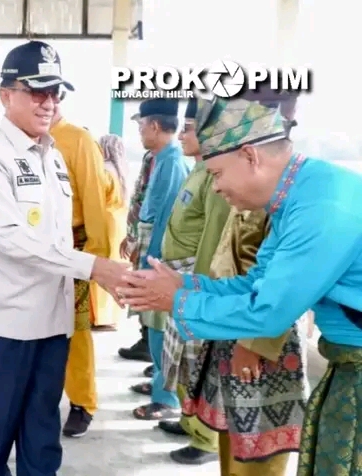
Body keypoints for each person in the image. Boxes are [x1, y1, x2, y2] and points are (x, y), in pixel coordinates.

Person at [117, 96, 360, 476]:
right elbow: (254, 283)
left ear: (250, 156)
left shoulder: (323, 206)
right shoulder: (297, 194)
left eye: (216, 174)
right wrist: (185, 284)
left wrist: (177, 300)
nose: (215, 188)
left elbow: (268, 311)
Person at [0, 40, 131, 476]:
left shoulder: (54, 157)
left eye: (55, 92)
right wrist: (94, 267)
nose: (48, 102)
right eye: (36, 91)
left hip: (52, 320)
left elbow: (55, 235)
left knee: (43, 431)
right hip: (4, 322)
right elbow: (12, 239)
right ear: (5, 95)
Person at [177, 93, 305, 476]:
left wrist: (253, 343)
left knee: (257, 448)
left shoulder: (288, 191)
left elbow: (283, 285)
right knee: (233, 438)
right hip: (235, 319)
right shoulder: (255, 183)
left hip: (261, 333)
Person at [153, 98, 230, 464]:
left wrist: (195, 290)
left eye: (188, 129)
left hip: (194, 279)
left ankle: (205, 439)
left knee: (197, 362)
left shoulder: (216, 177)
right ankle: (188, 421)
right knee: (181, 363)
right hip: (178, 276)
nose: (180, 135)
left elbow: (212, 240)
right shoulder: (197, 169)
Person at [50, 109, 124, 437]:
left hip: (73, 245)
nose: (46, 103)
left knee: (75, 330)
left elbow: (94, 197)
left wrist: (96, 255)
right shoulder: (20, 138)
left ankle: (83, 401)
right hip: (34, 247)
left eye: (52, 95)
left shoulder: (78, 139)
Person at [129, 99, 190, 421]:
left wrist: (151, 263)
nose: (139, 132)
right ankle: (158, 382)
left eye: (141, 126)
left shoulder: (172, 163)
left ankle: (165, 398)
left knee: (159, 329)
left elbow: (165, 218)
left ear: (154, 125)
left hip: (159, 258)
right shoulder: (161, 159)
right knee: (153, 325)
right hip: (151, 252)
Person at [117, 149, 155, 364]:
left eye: (143, 130)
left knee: (147, 293)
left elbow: (155, 207)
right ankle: (147, 342)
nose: (141, 134)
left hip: (151, 240)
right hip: (143, 235)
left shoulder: (168, 162)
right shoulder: (152, 157)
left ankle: (150, 347)